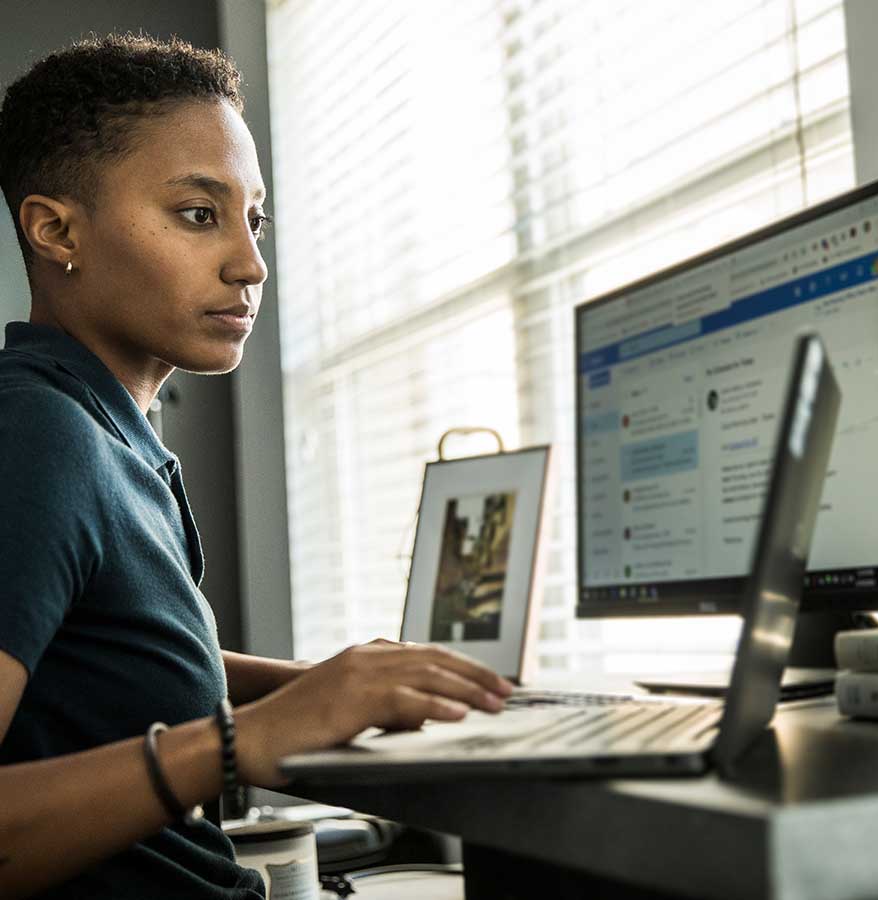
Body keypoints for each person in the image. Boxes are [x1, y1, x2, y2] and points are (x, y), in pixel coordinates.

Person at [0, 33, 512, 899]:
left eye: (255, 216)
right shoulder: (38, 436)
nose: (251, 263)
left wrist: (329, 684)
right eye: (199, 214)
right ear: (56, 231)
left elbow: (103, 663)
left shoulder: (102, 430)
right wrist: (237, 744)